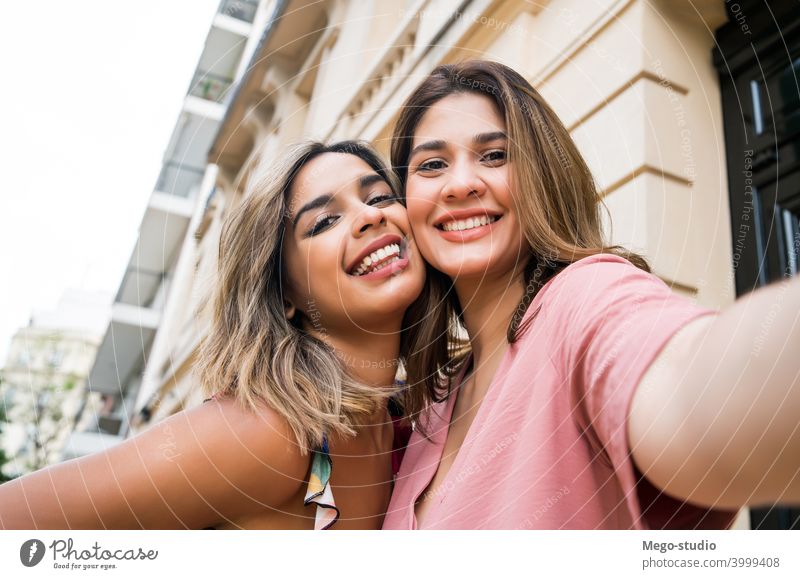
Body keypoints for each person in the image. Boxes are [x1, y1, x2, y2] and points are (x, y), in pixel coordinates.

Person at [385, 60, 800, 529]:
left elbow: (691, 383)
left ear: (543, 175)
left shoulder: (586, 298)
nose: (461, 184)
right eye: (432, 164)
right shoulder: (430, 407)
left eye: (495, 155)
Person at [0, 140, 425, 530]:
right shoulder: (266, 432)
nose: (371, 215)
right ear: (284, 293)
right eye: (324, 221)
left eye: (380, 196)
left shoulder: (403, 423)